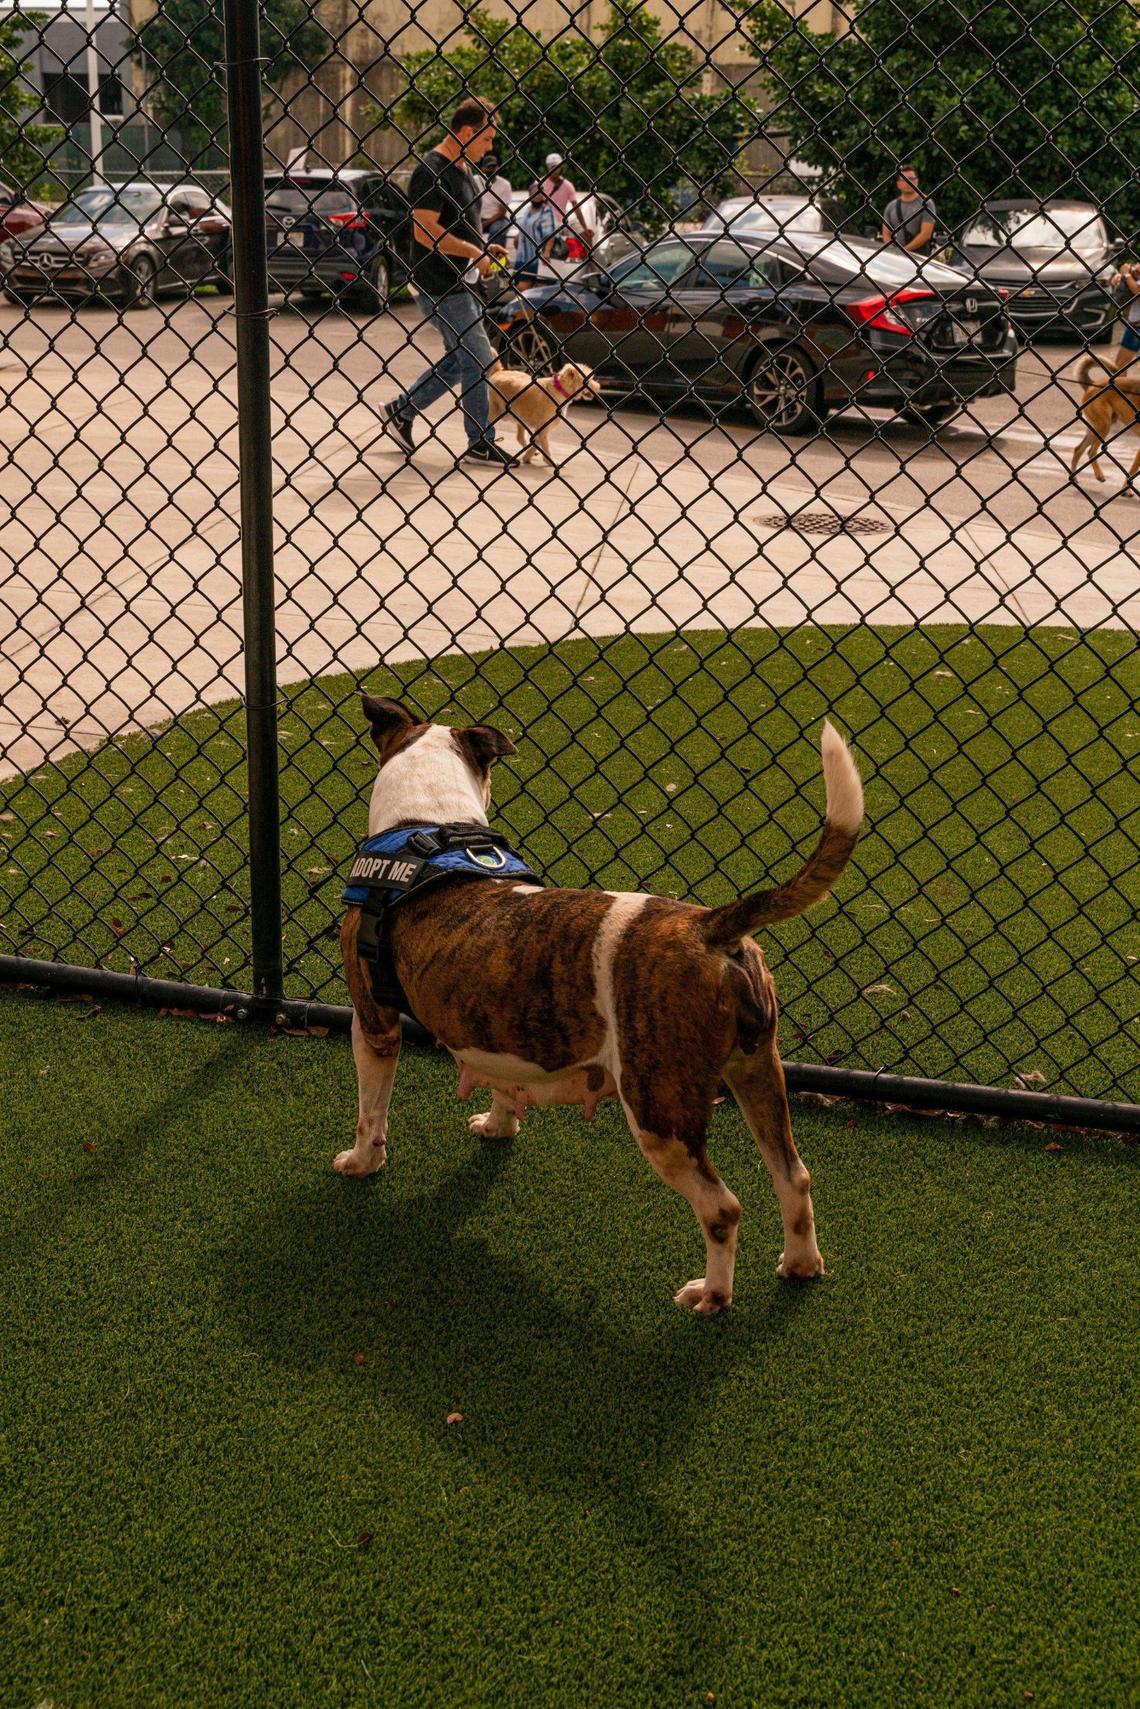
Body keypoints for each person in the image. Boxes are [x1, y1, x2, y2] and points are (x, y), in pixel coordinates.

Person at [381, 96, 513, 467]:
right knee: (480, 358)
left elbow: (464, 226)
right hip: (438, 284)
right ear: (467, 132)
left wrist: (484, 249)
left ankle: (400, 411)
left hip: (461, 281)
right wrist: (475, 253)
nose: (489, 147)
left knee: (460, 360)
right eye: (486, 139)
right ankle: (479, 441)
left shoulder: (465, 172)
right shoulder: (430, 170)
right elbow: (424, 232)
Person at [881, 165, 937, 257]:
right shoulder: (891, 206)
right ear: (898, 184)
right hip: (895, 257)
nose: (907, 182)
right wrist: (893, 251)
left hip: (918, 256)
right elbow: (886, 234)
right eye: (903, 179)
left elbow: (926, 234)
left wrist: (904, 251)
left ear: (917, 181)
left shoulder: (926, 203)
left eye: (911, 178)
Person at [543, 152, 593, 247]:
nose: (554, 169)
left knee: (587, 235)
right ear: (547, 167)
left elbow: (576, 208)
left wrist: (585, 228)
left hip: (563, 219)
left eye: (557, 166)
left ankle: (590, 259)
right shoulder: (540, 184)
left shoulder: (567, 185)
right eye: (551, 167)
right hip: (545, 218)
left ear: (561, 167)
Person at [514, 181, 558, 288]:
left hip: (539, 258)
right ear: (529, 195)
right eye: (535, 193)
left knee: (539, 292)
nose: (538, 196)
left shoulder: (546, 211)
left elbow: (550, 233)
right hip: (523, 257)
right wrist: (517, 238)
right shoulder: (527, 210)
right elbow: (523, 227)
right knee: (522, 289)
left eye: (540, 193)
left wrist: (547, 251)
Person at [478, 153, 512, 247]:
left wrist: (484, 224)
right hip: (479, 217)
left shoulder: (505, 184)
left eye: (494, 167)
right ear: (482, 169)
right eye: (489, 167)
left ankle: (497, 260)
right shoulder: (475, 180)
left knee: (498, 231)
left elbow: (502, 212)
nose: (492, 170)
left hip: (498, 218)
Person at [1113, 259, 1140, 369]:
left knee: (1120, 365)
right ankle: (1120, 385)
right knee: (1119, 364)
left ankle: (1120, 386)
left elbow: (1137, 290)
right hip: (1134, 325)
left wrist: (1127, 274)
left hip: (1137, 326)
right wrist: (1120, 276)